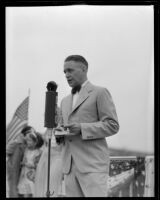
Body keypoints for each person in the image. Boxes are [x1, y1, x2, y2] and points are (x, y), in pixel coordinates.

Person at [55, 55, 120, 197]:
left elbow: (112, 125)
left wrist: (82, 128)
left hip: (93, 166)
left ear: (83, 69)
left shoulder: (100, 92)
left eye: (70, 70)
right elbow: (64, 129)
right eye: (64, 72)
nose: (66, 75)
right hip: (69, 168)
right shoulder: (64, 101)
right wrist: (59, 134)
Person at [34, 109, 64, 197]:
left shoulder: (62, 128)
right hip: (45, 158)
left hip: (56, 158)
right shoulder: (48, 129)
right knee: (41, 182)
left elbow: (60, 144)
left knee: (52, 182)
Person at [6, 125, 35, 197]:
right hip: (14, 171)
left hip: (23, 171)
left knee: (22, 190)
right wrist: (10, 165)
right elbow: (7, 152)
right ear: (24, 134)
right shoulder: (15, 143)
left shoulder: (28, 145)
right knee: (14, 189)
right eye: (30, 132)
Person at [17, 131, 44, 197]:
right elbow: (23, 160)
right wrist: (22, 163)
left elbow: (38, 165)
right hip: (24, 175)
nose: (27, 142)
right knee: (26, 193)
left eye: (29, 141)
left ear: (35, 142)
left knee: (31, 192)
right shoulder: (26, 150)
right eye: (27, 140)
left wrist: (30, 165)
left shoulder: (38, 152)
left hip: (32, 175)